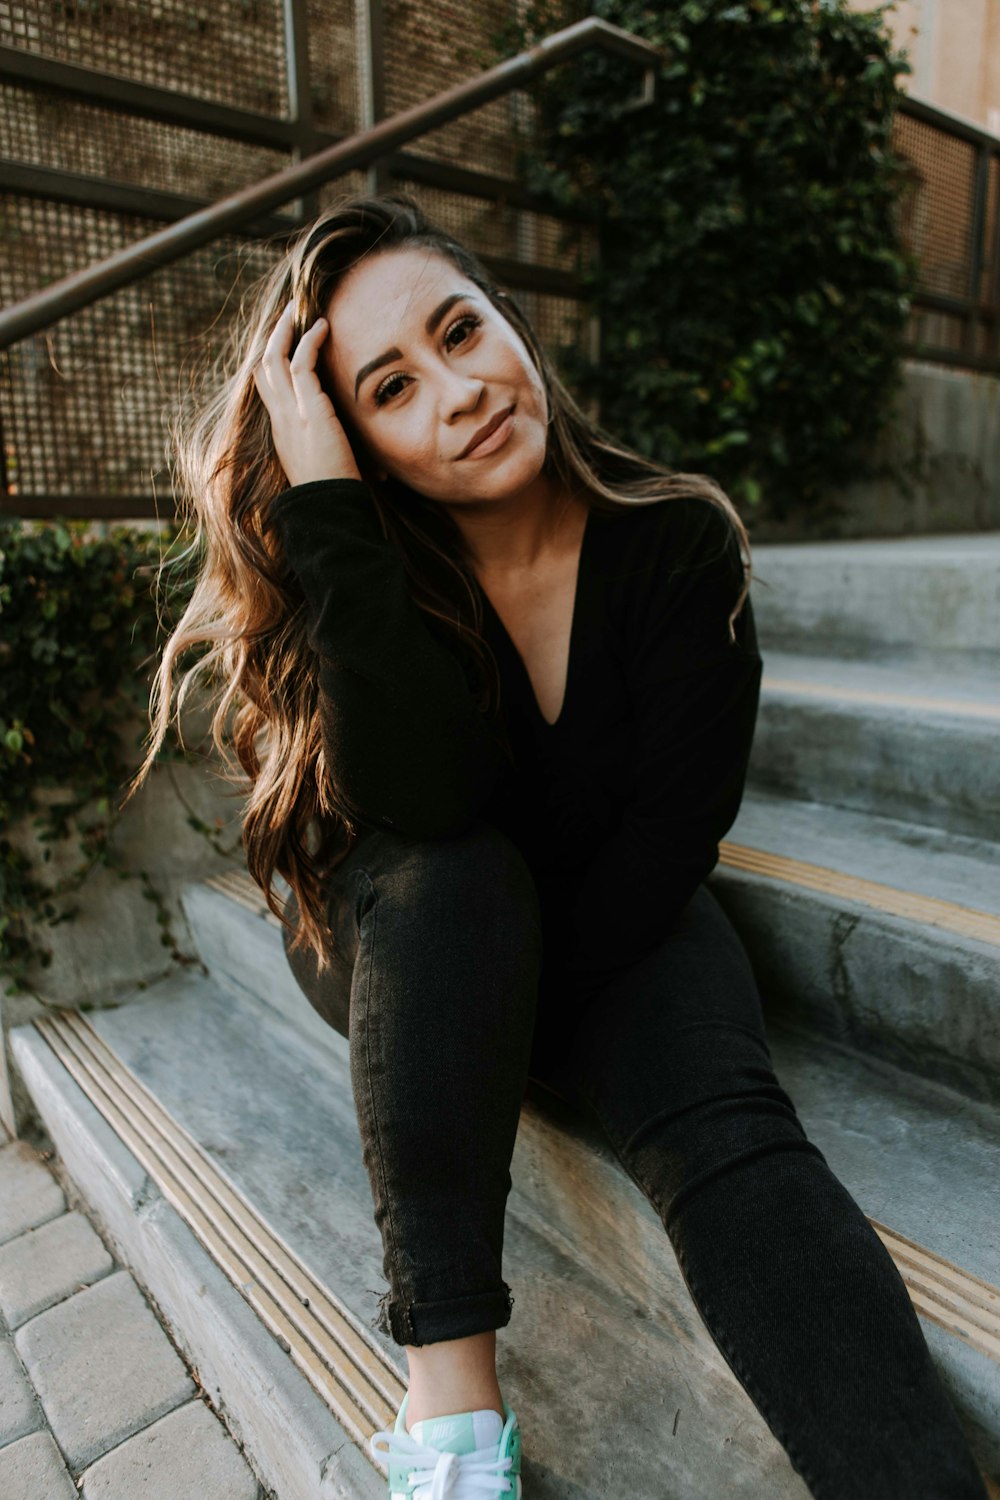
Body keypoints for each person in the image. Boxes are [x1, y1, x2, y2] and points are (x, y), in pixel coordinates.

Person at [129, 192, 988, 1500]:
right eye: (392, 388)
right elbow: (420, 797)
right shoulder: (365, 573)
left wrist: (525, 1013)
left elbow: (669, 842)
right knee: (455, 873)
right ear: (356, 449)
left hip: (615, 923)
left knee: (724, 1121)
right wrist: (325, 510)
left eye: (461, 331)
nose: (459, 393)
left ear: (512, 321)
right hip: (401, 935)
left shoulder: (678, 544)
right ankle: (453, 1423)